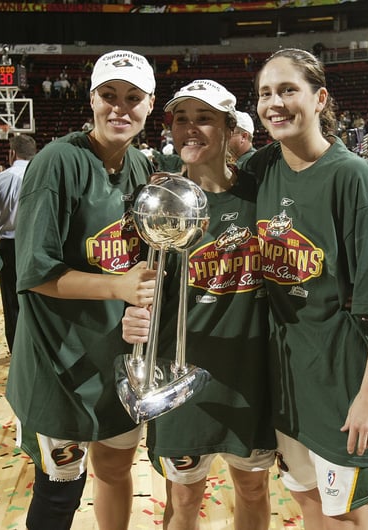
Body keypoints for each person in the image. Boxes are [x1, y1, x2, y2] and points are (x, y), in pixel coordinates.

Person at [246, 48, 368, 528]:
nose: (274, 103)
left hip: (345, 385)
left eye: (288, 90)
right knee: (309, 504)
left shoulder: (354, 178)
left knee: (348, 520)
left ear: (320, 99)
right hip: (289, 384)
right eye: (265, 93)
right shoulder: (262, 167)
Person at [5, 50, 158, 530]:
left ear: (150, 105)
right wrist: (120, 286)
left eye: (133, 98)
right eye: (109, 96)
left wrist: (142, 300)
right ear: (91, 99)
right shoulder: (56, 163)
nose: (120, 108)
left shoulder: (141, 168)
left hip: (115, 358)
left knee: (114, 470)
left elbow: (146, 263)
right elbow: (33, 272)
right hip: (59, 363)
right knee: (61, 485)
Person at [122, 80, 274, 529]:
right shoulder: (157, 203)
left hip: (249, 374)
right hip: (180, 373)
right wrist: (132, 314)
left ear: (230, 128)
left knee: (252, 488)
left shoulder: (261, 192)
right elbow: (138, 285)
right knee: (184, 500)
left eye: (203, 118)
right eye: (181, 119)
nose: (190, 129)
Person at [0, 134, 37, 353]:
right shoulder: (43, 174)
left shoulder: (0, 178)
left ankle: (17, 351)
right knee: (39, 299)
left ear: (12, 153)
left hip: (9, 245)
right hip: (38, 244)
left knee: (12, 302)